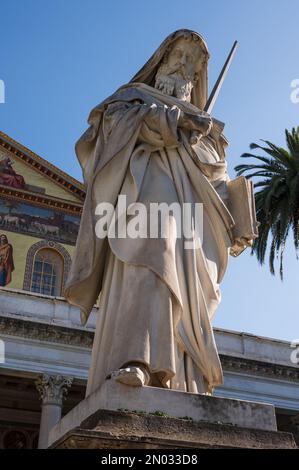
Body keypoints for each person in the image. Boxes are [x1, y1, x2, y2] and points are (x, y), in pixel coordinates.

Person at [65, 29, 253, 396]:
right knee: (153, 251)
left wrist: (237, 210)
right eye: (179, 57)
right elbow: (107, 132)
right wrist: (173, 123)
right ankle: (136, 358)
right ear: (162, 60)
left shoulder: (208, 128)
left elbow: (215, 176)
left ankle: (185, 378)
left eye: (192, 66)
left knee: (190, 284)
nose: (183, 68)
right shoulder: (130, 101)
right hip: (143, 194)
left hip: (193, 220)